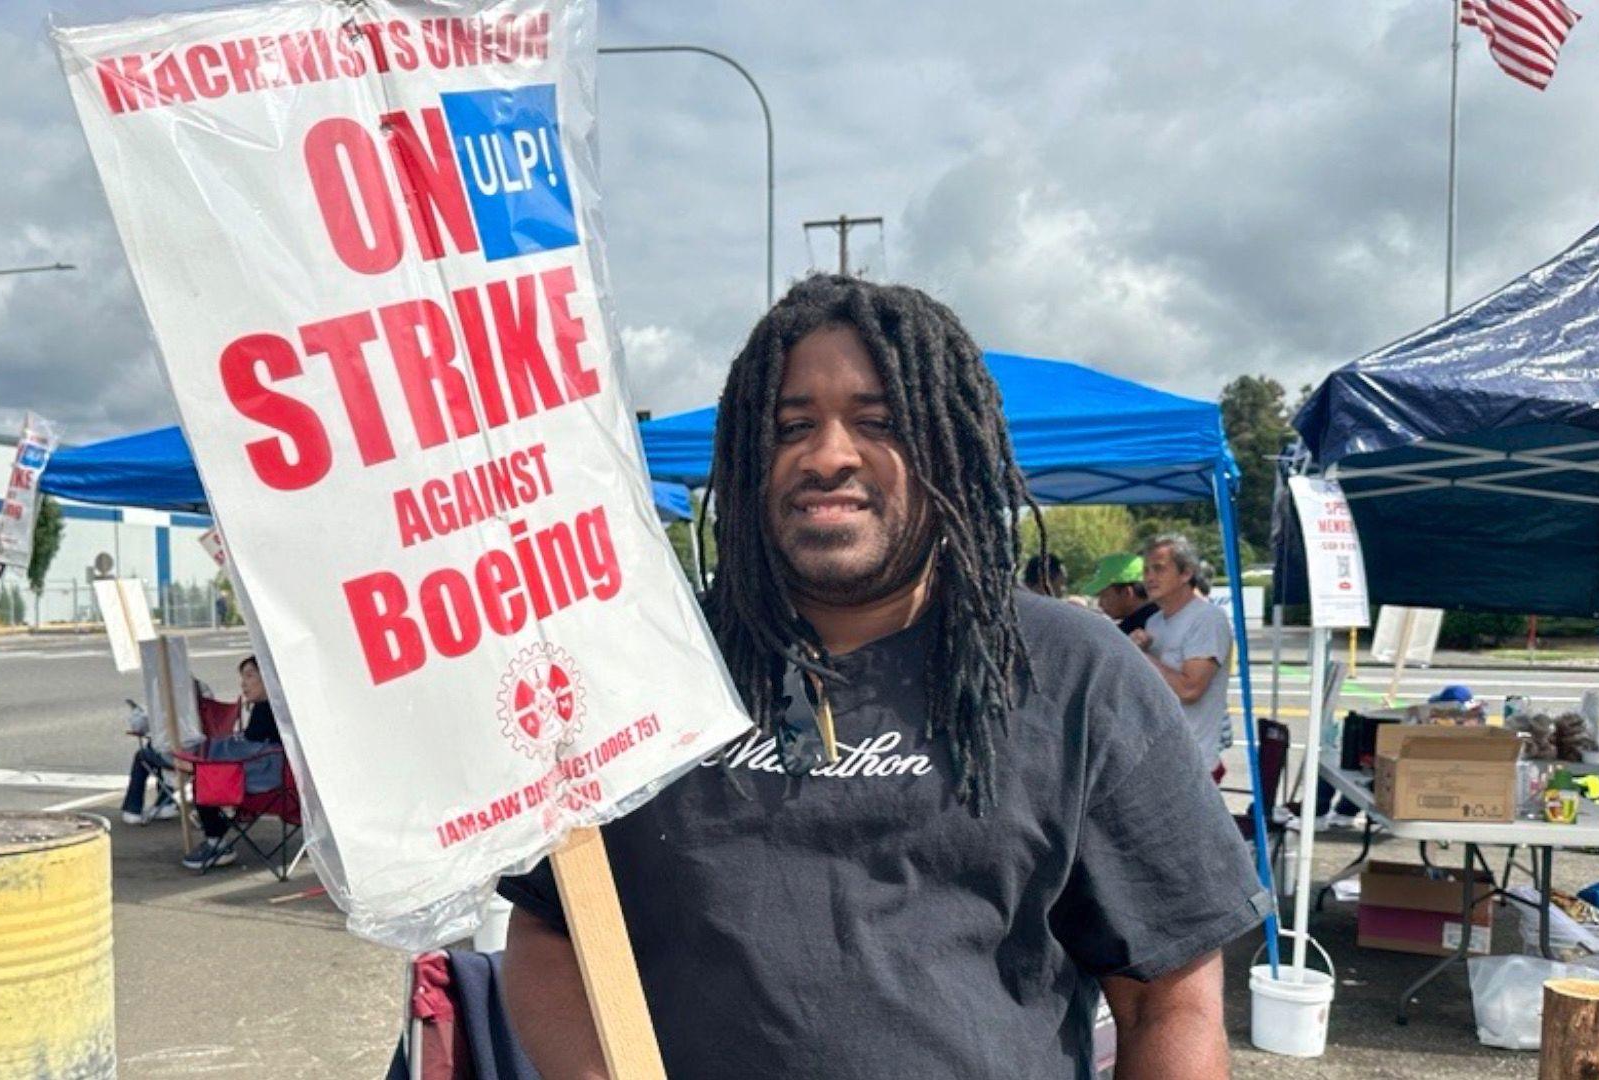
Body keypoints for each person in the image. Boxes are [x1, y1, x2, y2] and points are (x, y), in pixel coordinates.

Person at [497, 276, 1266, 1079]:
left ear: (949, 448)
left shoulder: (1076, 676)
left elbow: (1169, 999)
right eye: (792, 425)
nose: (829, 455)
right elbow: (552, 928)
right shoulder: (648, 669)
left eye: (880, 422)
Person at [1131, 534, 1234, 779]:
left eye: (1159, 569)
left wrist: (1142, 656)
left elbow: (1190, 689)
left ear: (1186, 573)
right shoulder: (1155, 621)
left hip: (1192, 764)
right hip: (1158, 757)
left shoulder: (1207, 619)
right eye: (1146, 570)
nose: (1149, 578)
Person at [180, 655, 283, 872]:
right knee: (204, 770)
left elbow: (250, 751)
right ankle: (216, 833)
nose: (243, 683)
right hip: (279, 780)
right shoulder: (276, 709)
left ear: (268, 677)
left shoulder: (266, 712)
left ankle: (217, 842)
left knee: (204, 780)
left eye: (250, 675)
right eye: (242, 677)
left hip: (267, 781)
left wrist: (207, 759)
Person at [1082, 552, 1156, 635]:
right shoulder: (1163, 618)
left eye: (1104, 596)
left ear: (1127, 593)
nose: (1100, 604)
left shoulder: (1130, 632)